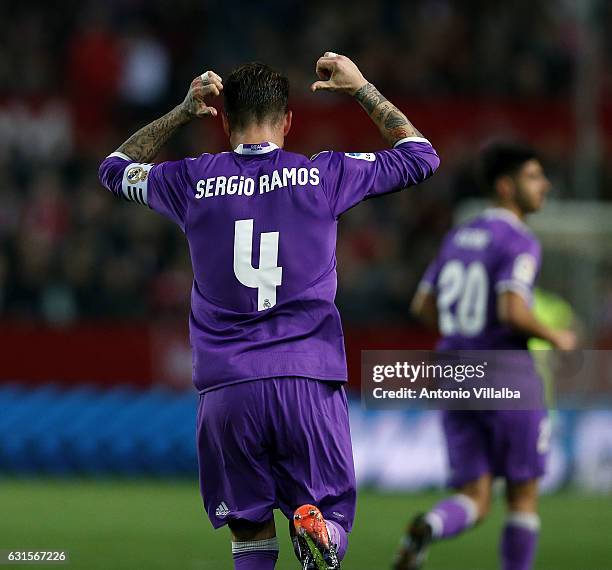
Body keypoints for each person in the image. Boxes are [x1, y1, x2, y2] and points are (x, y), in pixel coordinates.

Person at [99, 53, 439, 569]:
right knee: (331, 519)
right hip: (307, 378)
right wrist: (362, 88)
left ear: (226, 123)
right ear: (288, 121)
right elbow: (421, 156)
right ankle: (320, 529)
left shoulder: (190, 181)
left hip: (227, 389)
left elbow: (114, 169)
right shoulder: (324, 175)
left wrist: (183, 112)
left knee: (251, 539)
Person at [394, 143, 576, 570]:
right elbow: (511, 310)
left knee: (475, 497)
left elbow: (422, 306)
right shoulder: (519, 240)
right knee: (522, 497)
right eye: (534, 176)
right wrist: (557, 336)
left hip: (453, 370)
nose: (544, 184)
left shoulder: (458, 236)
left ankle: (431, 527)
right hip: (506, 374)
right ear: (506, 187)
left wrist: (463, 331)